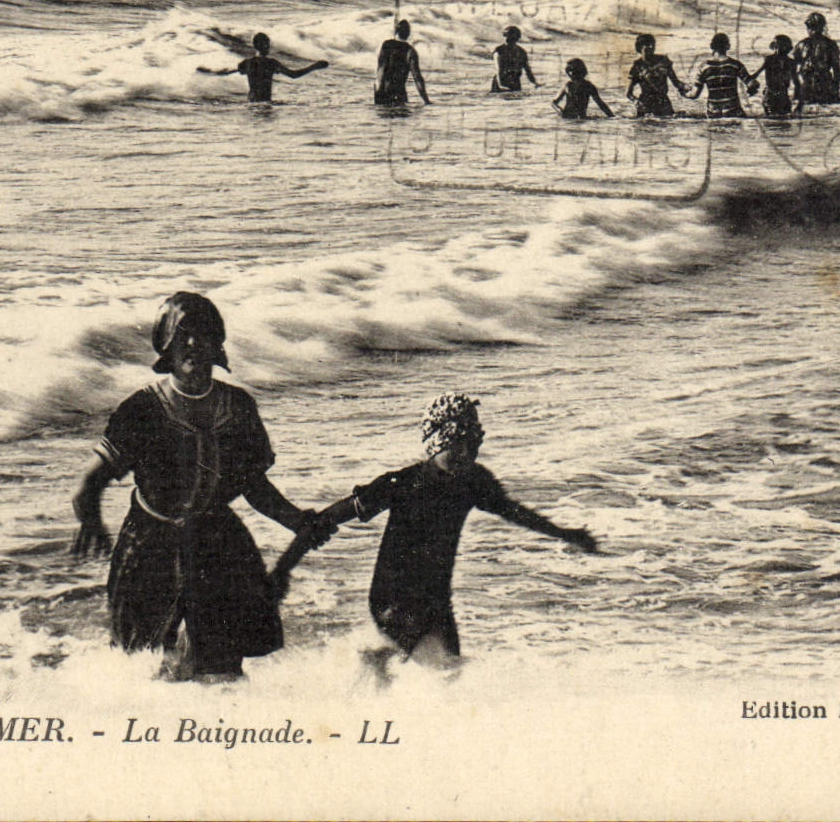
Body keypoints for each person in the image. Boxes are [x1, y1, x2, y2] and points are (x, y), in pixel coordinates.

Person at [70, 292, 332, 681]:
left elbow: (253, 486)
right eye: (182, 335)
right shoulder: (141, 410)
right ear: (166, 345)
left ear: (217, 344)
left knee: (222, 669)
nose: (192, 344)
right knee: (140, 668)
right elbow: (88, 484)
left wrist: (298, 520)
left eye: (203, 334)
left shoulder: (239, 407)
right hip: (149, 545)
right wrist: (91, 522)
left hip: (215, 543)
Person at [271, 394, 596, 670]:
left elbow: (516, 513)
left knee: (450, 668)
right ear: (435, 443)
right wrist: (283, 569)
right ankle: (374, 680)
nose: (464, 455)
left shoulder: (474, 482)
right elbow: (326, 520)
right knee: (442, 668)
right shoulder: (401, 483)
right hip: (392, 597)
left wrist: (567, 534)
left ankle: (374, 667)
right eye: (454, 446)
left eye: (471, 445)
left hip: (437, 599)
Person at [199, 32, 328, 103]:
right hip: (265, 104)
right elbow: (293, 75)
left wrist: (209, 72)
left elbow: (227, 72)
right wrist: (314, 67)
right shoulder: (271, 63)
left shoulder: (247, 63)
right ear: (260, 46)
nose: (268, 47)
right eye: (266, 45)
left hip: (251, 104)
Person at [689, 32, 758, 119]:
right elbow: (752, 83)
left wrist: (682, 90)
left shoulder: (704, 67)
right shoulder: (735, 65)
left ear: (711, 46)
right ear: (728, 46)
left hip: (713, 114)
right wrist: (753, 87)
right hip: (733, 112)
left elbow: (694, 94)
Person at [625, 34, 686, 118]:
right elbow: (628, 93)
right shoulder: (637, 66)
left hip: (663, 102)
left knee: (665, 128)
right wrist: (636, 101)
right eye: (647, 44)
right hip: (646, 104)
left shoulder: (663, 60)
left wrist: (685, 87)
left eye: (652, 44)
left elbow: (676, 82)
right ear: (639, 47)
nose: (651, 47)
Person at [374, 20, 430, 105]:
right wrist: (427, 101)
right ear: (408, 34)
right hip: (399, 94)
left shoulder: (386, 45)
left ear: (396, 31)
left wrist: (377, 94)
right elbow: (417, 78)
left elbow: (380, 72)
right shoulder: (410, 51)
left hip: (382, 93)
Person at [792, 12, 840, 104]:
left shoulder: (801, 44)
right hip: (819, 84)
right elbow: (837, 70)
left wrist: (797, 89)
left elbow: (793, 70)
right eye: (811, 27)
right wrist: (835, 90)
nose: (811, 30)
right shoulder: (831, 44)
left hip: (813, 84)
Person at [749, 35, 804, 118]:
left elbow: (755, 75)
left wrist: (749, 84)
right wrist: (800, 103)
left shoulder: (769, 59)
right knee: (784, 122)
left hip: (771, 96)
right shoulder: (790, 62)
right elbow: (797, 84)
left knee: (771, 121)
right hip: (782, 96)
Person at [490, 26, 538, 92]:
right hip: (501, 81)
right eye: (506, 36)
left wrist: (534, 83)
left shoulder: (521, 52)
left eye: (511, 37)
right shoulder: (499, 50)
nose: (507, 39)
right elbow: (499, 70)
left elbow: (527, 69)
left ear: (517, 38)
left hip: (515, 81)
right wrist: (500, 85)